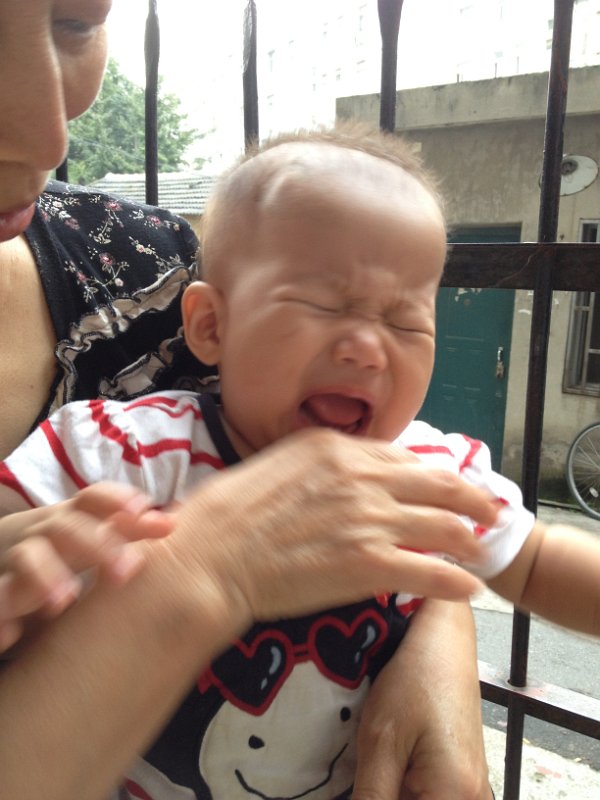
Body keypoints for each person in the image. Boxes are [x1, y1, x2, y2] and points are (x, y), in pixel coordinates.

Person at [4, 125, 599, 799]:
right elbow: (16, 531)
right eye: (322, 304)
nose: (367, 348)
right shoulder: (130, 451)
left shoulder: (429, 471)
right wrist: (24, 556)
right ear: (211, 326)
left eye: (405, 322)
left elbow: (540, 564)